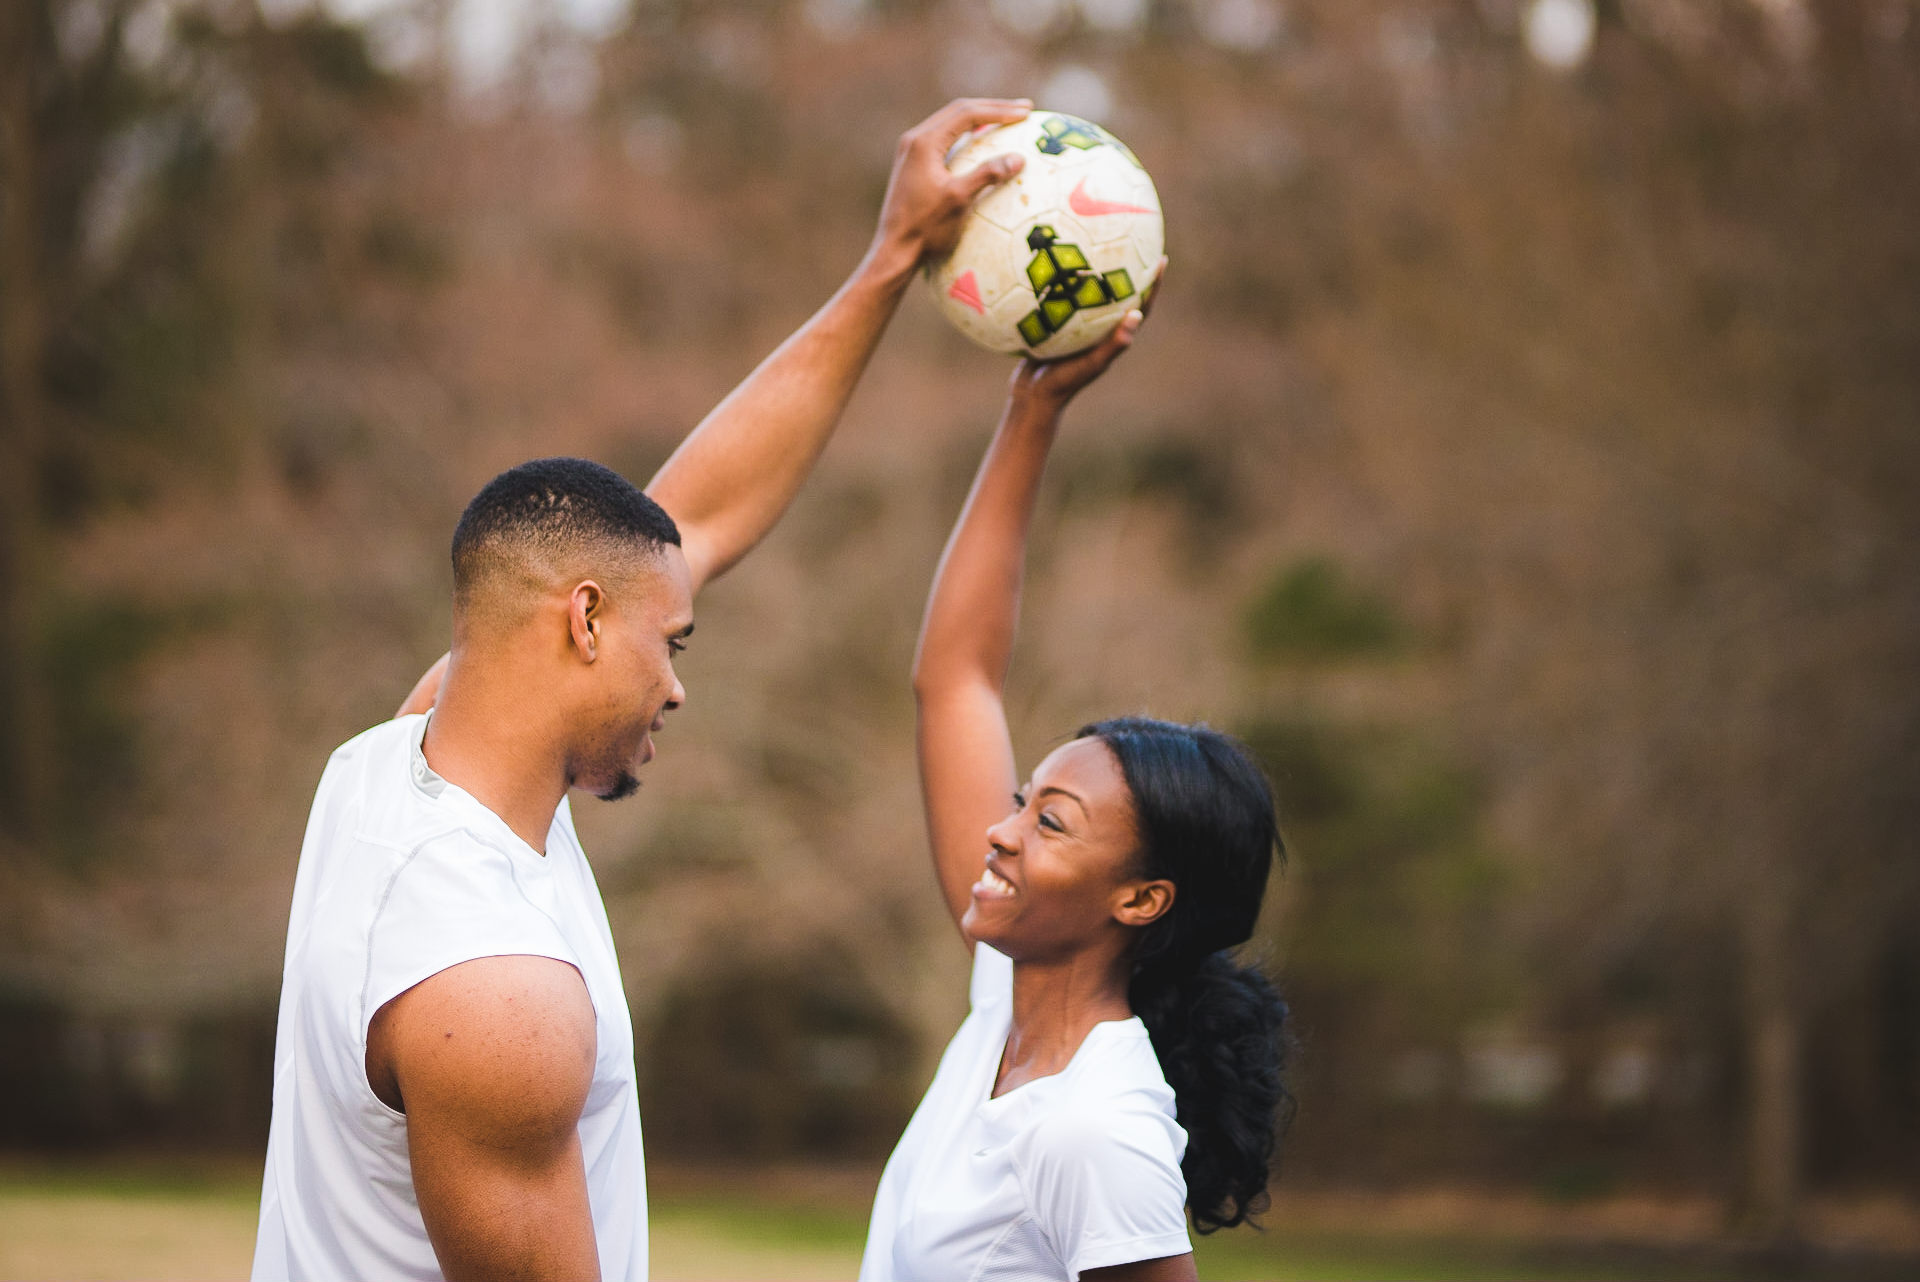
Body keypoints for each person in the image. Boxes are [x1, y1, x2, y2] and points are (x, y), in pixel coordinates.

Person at [251, 98, 1036, 1282]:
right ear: (582, 621)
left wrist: (890, 263)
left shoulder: (400, 752)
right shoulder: (494, 992)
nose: (675, 687)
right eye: (675, 644)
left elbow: (692, 522)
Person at [859, 279, 1292, 1282]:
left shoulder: (1093, 1128)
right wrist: (1031, 410)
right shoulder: (1002, 1006)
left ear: (1140, 897)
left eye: (1050, 822)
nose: (1003, 831)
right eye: (1021, 802)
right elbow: (956, 677)